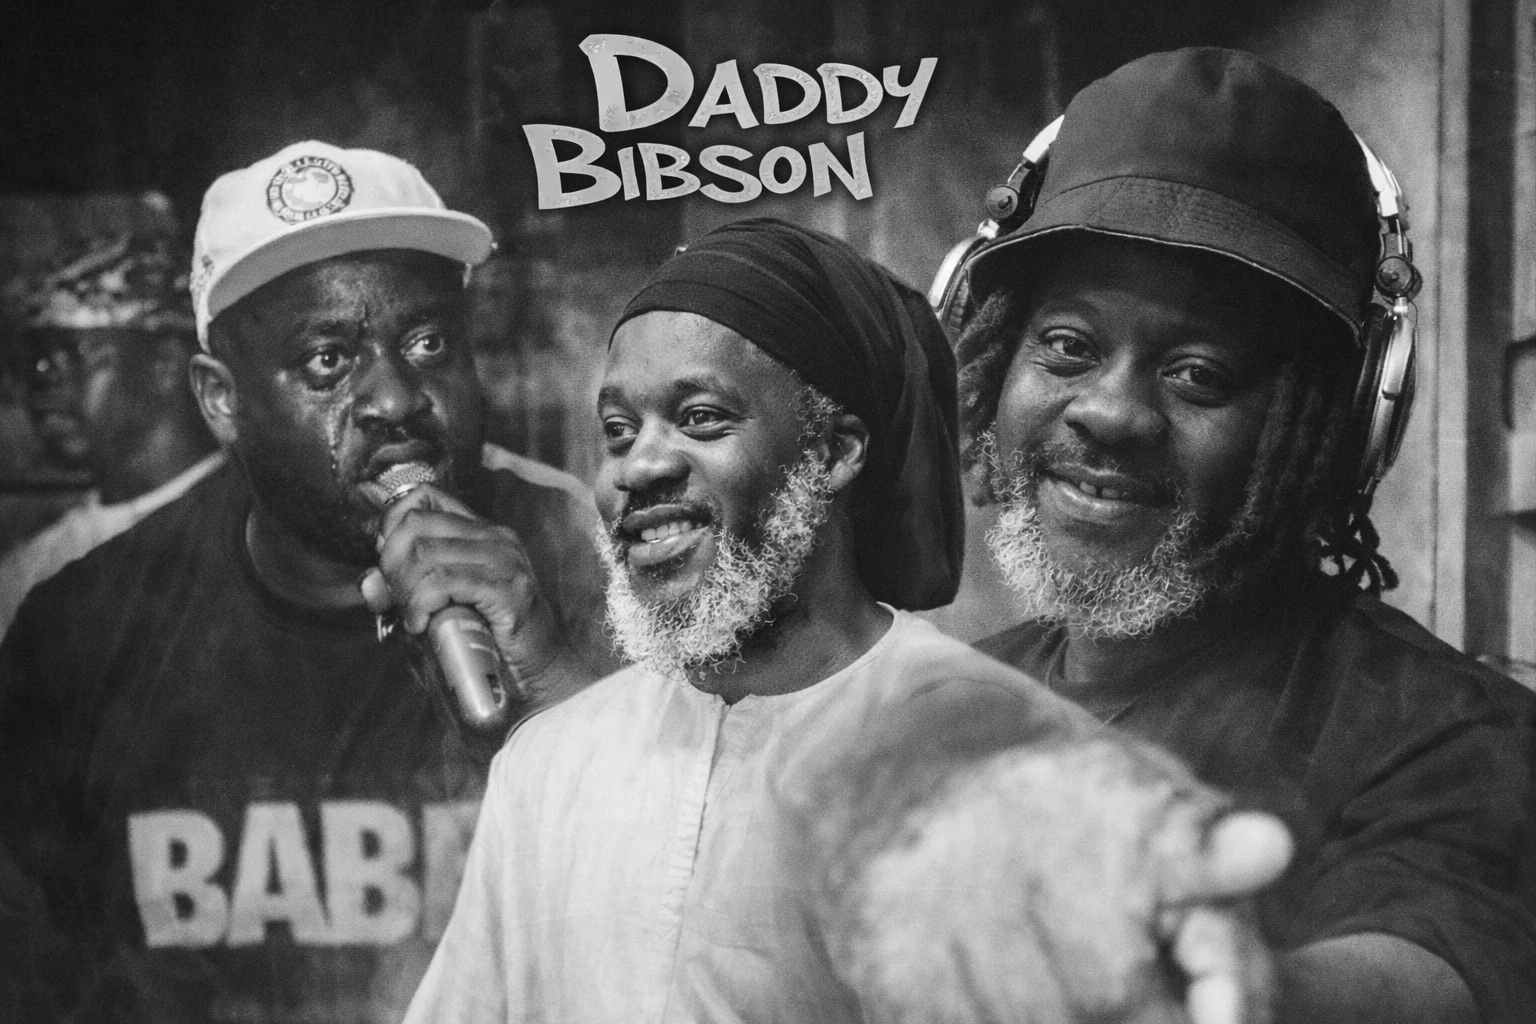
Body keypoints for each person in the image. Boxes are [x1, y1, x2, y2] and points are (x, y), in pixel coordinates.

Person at [404, 217, 1298, 1024]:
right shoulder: (546, 766)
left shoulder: (1002, 757)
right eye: (617, 431)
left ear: (834, 451)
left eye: (700, 419)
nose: (638, 468)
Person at [949, 48, 1536, 1023]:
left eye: (1198, 374)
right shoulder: (946, 697)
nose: (1110, 412)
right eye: (1068, 346)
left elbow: (1436, 957)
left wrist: (1243, 984)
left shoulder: (1462, 744)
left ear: (1339, 426)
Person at [0, 141, 614, 1024]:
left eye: (429, 342)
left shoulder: (588, 563)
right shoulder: (83, 630)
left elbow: (689, 918)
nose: (396, 399)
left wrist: (555, 687)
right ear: (221, 400)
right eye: (328, 360)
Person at [0, 229, 224, 634]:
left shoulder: (261, 536)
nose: (44, 377)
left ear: (166, 365)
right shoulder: (28, 573)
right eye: (37, 358)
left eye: (73, 350)